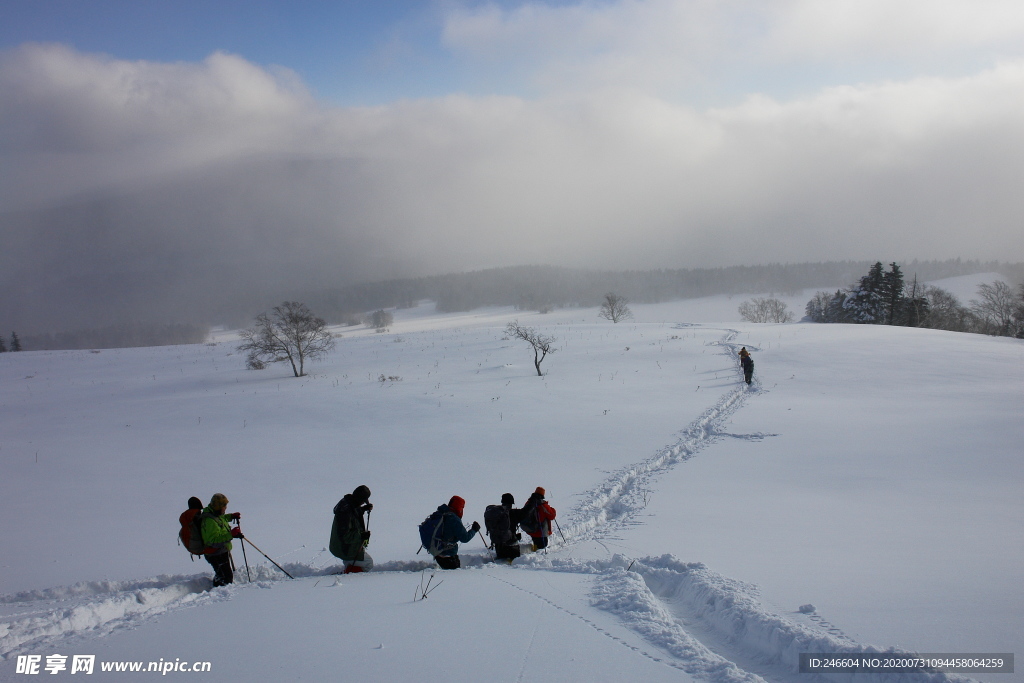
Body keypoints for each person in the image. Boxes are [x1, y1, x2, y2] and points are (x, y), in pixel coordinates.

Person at [423, 496, 480, 570]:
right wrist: (474, 530)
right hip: (448, 555)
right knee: (455, 577)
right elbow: (465, 538)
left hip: (437, 553)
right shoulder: (453, 519)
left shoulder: (440, 513)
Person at [200, 493, 242, 587]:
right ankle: (218, 596)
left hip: (220, 551)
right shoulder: (209, 521)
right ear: (218, 506)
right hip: (215, 554)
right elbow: (213, 541)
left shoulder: (215, 514)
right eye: (224, 506)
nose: (226, 508)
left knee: (224, 575)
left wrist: (231, 516)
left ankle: (218, 589)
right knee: (225, 578)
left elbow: (221, 519)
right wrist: (231, 534)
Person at [329, 485, 374, 574]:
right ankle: (351, 578)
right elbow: (345, 536)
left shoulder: (348, 503)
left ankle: (349, 571)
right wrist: (361, 535)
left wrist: (363, 509)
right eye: (362, 501)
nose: (363, 503)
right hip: (343, 548)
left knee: (356, 562)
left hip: (341, 546)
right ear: (359, 499)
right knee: (368, 563)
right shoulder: (345, 512)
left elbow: (353, 513)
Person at [484, 493, 523, 563]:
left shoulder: (496, 512)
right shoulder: (506, 514)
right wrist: (515, 537)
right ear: (510, 503)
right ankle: (510, 562)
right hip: (508, 547)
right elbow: (505, 529)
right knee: (515, 552)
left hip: (497, 546)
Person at [520, 487, 556, 551]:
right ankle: (532, 555)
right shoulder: (543, 505)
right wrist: (553, 509)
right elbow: (552, 516)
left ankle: (533, 550)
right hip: (541, 531)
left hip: (530, 528)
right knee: (542, 547)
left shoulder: (529, 502)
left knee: (536, 543)